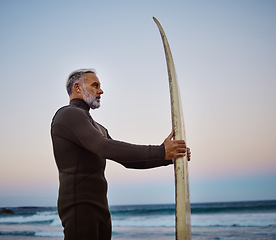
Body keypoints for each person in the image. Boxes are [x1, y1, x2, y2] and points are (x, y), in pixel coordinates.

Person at [51, 69, 191, 240]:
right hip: (79, 207)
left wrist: (168, 157)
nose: (101, 91)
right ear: (78, 88)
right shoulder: (68, 114)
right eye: (95, 85)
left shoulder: (98, 127)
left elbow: (127, 161)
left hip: (101, 208)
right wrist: (160, 151)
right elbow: (104, 147)